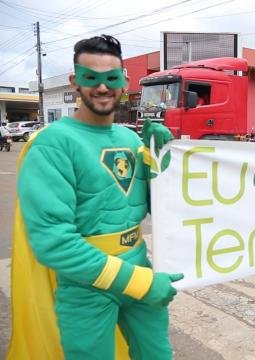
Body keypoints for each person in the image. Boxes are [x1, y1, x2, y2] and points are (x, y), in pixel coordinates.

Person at [8, 34, 181, 359]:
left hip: (139, 266)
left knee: (157, 355)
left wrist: (161, 162)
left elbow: (156, 211)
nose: (102, 88)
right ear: (75, 81)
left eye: (111, 78)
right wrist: (139, 283)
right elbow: (53, 242)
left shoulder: (129, 139)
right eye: (91, 78)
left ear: (124, 81)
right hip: (87, 285)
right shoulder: (51, 145)